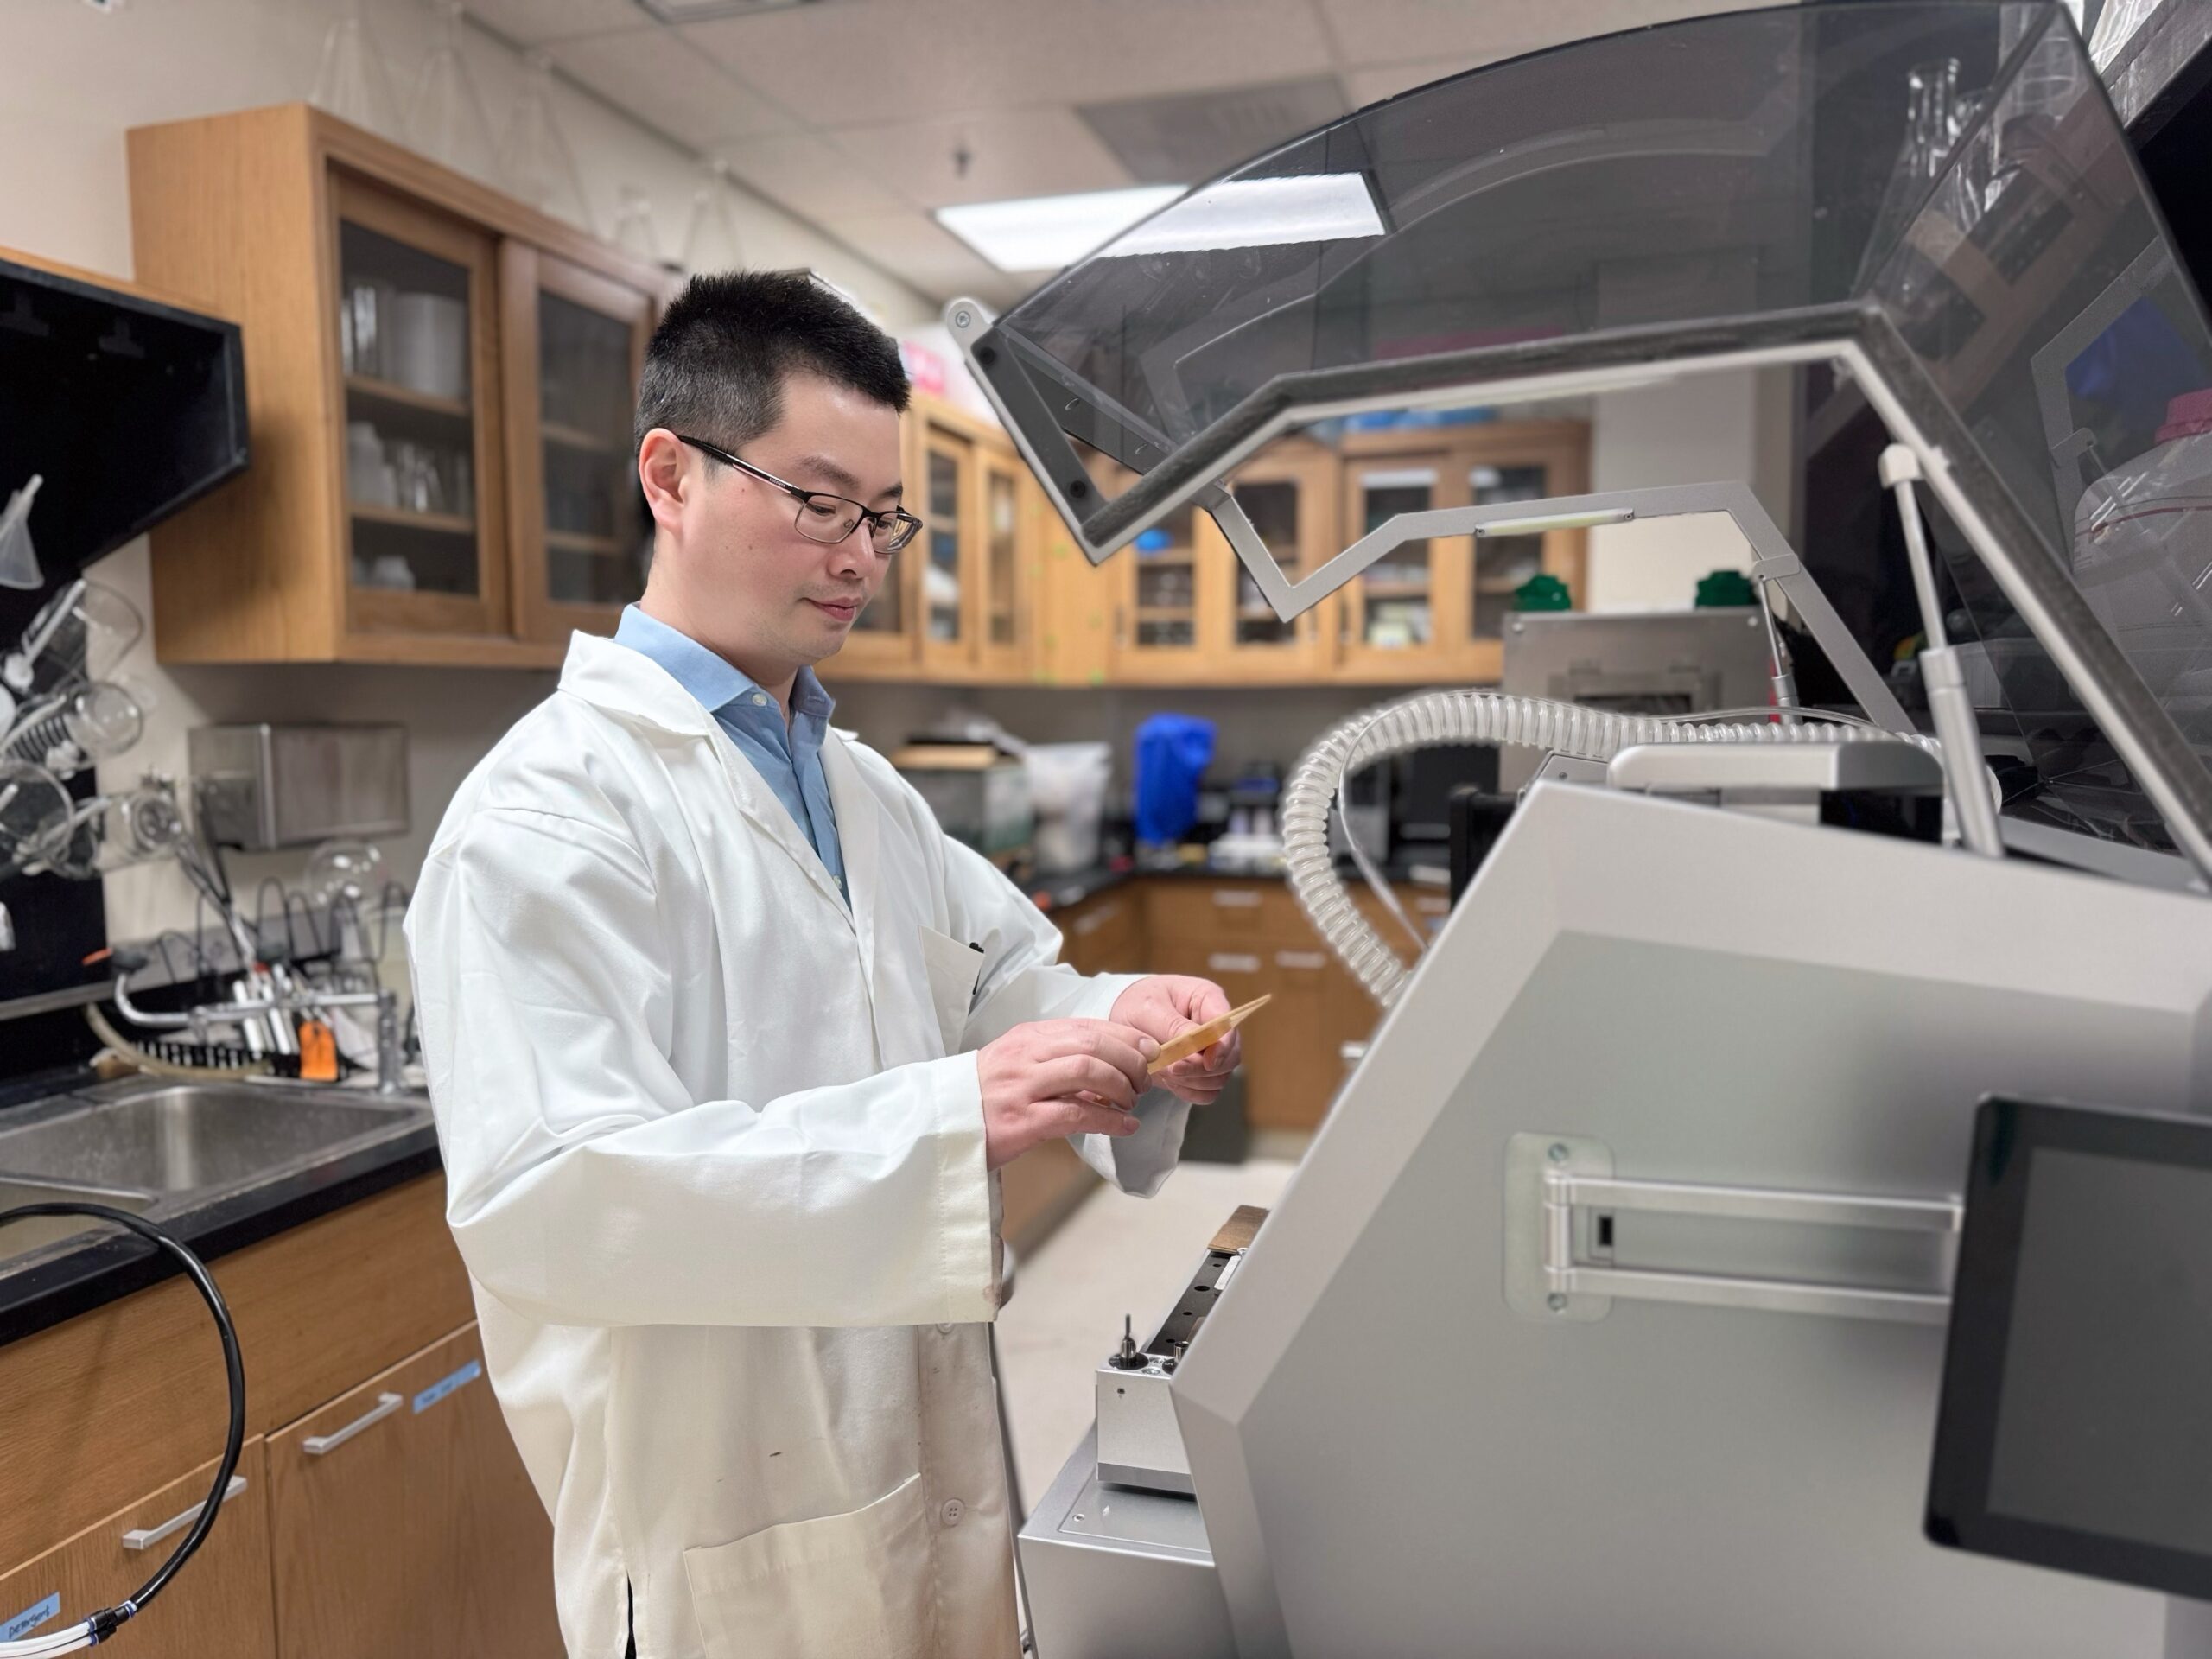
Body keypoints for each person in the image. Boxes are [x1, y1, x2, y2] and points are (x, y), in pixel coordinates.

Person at [405, 270, 1238, 1659]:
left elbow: (995, 983)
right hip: (719, 1522)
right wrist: (944, 1115)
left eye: (884, 517)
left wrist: (1125, 1020)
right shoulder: (549, 813)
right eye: (817, 501)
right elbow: (550, 1196)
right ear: (670, 476)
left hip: (925, 1453)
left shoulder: (861, 787)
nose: (860, 554)